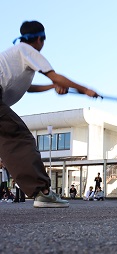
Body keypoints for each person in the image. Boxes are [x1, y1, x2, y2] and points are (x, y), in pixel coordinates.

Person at [0, 21, 99, 208]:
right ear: (39, 39)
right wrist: (85, 89)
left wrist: (53, 87)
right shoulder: (28, 50)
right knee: (20, 138)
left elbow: (29, 88)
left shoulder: (16, 54)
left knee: (9, 137)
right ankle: (43, 192)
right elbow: (55, 75)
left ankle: (41, 192)